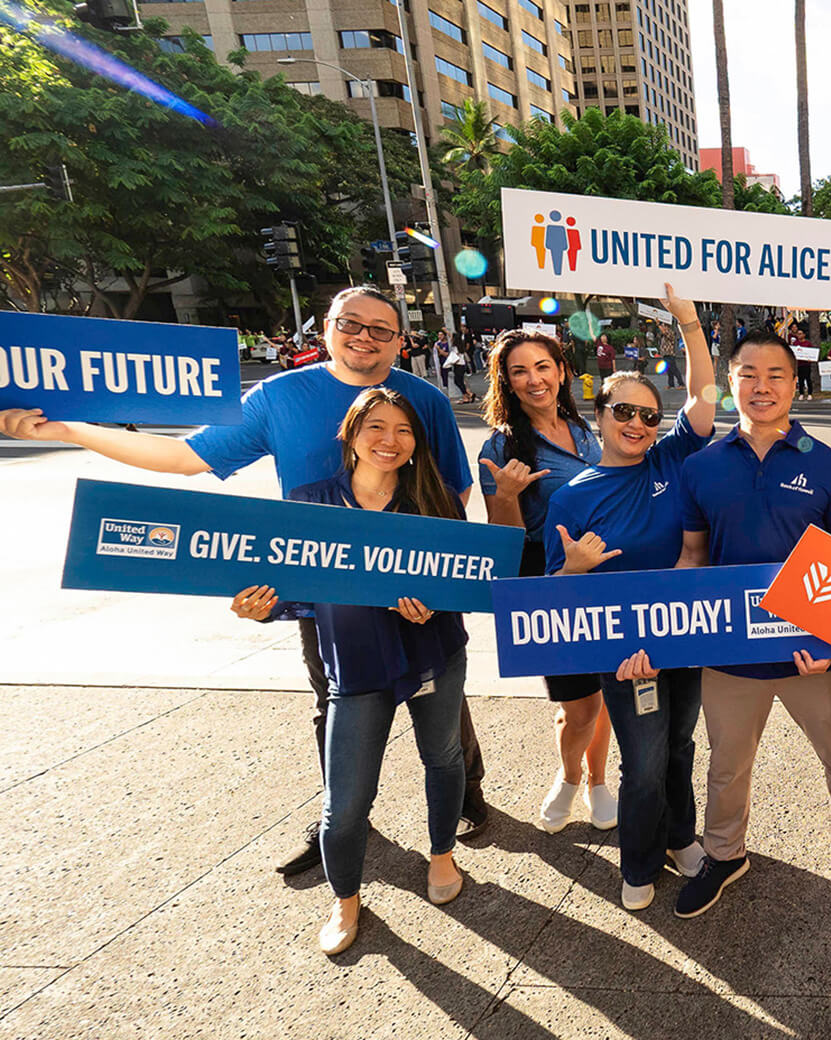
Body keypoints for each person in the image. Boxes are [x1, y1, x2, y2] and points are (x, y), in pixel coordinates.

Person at [0, 286, 486, 875]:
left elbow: (451, 492)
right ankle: (345, 819)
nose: (364, 337)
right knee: (336, 710)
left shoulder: (424, 399)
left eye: (381, 329)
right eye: (350, 323)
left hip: (416, 598)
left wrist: (426, 579)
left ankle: (462, 799)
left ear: (399, 339)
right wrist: (71, 432)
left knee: (443, 712)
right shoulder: (278, 396)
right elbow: (184, 458)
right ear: (325, 327)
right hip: (327, 604)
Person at [229, 388, 471, 955]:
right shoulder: (311, 502)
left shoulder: (435, 501)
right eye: (377, 427)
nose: (390, 440)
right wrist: (261, 606)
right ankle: (345, 899)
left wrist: (438, 601)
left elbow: (465, 580)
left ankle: (442, 855)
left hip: (431, 652)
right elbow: (294, 592)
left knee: (443, 756)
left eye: (404, 431)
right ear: (351, 434)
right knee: (345, 802)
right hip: (356, 668)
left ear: (416, 444)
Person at [673, 329, 831, 918]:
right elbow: (693, 560)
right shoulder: (701, 468)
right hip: (730, 654)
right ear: (730, 383)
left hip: (811, 653)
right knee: (725, 766)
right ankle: (724, 854)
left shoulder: (828, 465)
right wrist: (664, 630)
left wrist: (830, 642)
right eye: (748, 373)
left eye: (775, 374)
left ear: (796, 385)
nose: (761, 386)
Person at [544, 287, 716, 911]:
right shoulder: (573, 498)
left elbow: (703, 397)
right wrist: (574, 568)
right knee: (642, 763)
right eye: (625, 413)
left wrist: (690, 321)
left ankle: (679, 838)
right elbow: (549, 606)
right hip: (623, 655)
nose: (638, 425)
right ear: (600, 415)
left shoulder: (669, 459)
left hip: (687, 636)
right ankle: (639, 860)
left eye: (649, 416)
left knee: (679, 746)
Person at [477, 328, 613, 833]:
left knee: (601, 692)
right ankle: (570, 775)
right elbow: (504, 538)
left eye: (542, 366)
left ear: (561, 370)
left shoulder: (581, 429)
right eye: (519, 371)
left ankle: (600, 782)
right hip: (549, 580)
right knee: (575, 705)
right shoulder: (502, 444)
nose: (534, 379)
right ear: (507, 383)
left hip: (599, 573)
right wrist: (508, 494)